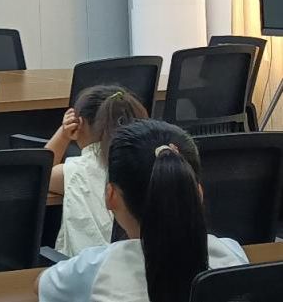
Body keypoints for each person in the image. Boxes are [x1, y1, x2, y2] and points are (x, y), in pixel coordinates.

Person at [36, 119, 248, 302]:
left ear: (110, 196)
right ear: (198, 194)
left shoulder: (95, 267)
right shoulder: (231, 254)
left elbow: (41, 286)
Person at [45, 85, 148, 255]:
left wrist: (62, 135)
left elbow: (40, 176)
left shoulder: (77, 170)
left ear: (79, 124)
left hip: (88, 267)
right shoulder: (147, 162)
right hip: (142, 262)